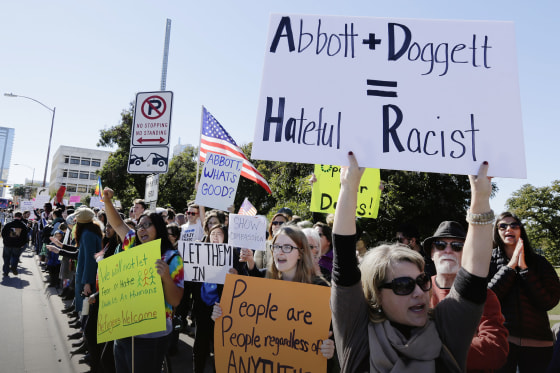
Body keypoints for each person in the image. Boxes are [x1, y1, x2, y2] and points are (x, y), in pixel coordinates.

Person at [331, 152, 493, 372]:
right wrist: (349, 187)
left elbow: (473, 276)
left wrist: (481, 199)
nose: (419, 292)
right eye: (403, 286)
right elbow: (344, 266)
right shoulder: (358, 334)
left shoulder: (445, 329)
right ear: (377, 295)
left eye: (422, 281)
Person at [213, 224, 335, 361]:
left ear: (301, 253)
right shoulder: (262, 281)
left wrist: (329, 349)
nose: (280, 252)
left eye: (287, 247)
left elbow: (329, 333)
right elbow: (244, 321)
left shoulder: (320, 288)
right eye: (276, 246)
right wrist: (222, 314)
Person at [103, 187, 184, 373]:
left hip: (151, 336)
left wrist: (166, 278)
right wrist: (107, 201)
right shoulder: (132, 245)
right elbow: (117, 224)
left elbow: (175, 300)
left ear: (159, 228)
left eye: (147, 224)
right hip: (123, 329)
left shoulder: (172, 258)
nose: (141, 229)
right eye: (139, 225)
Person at [427, 220, 509, 372]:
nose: (448, 251)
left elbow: (495, 351)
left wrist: (430, 348)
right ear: (432, 253)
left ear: (467, 255)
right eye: (440, 245)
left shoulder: (484, 295)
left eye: (457, 246)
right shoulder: (417, 290)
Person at [488, 212, 560, 373]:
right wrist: (511, 267)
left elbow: (550, 301)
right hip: (502, 341)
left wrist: (525, 270)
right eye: (503, 226)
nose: (509, 229)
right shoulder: (489, 261)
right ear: (497, 231)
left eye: (514, 225)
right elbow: (487, 298)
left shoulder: (540, 263)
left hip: (539, 344)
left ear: (521, 230)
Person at [2, 211, 29, 276]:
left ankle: (6, 271)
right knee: (15, 256)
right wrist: (23, 243)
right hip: (17, 245)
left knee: (6, 257)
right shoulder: (23, 225)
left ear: (14, 216)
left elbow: (3, 233)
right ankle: (13, 266)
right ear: (21, 217)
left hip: (8, 244)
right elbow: (25, 236)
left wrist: (5, 241)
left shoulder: (8, 224)